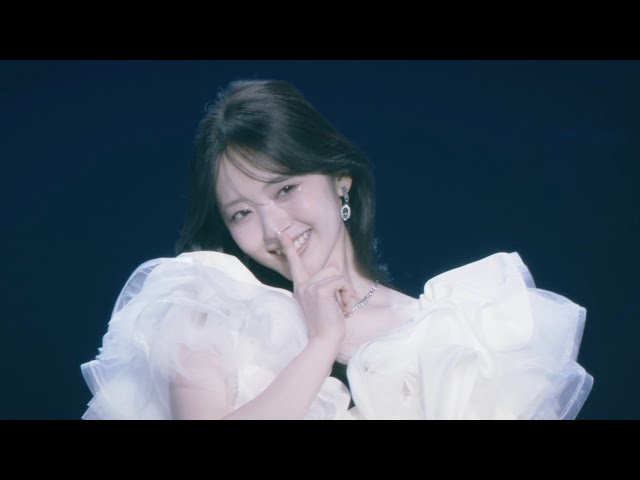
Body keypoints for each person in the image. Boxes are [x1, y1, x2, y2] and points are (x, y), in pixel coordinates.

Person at [80, 79, 594, 420]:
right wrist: (322, 344)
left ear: (340, 180)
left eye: (285, 189)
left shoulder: (451, 334)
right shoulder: (205, 313)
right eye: (241, 213)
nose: (274, 228)